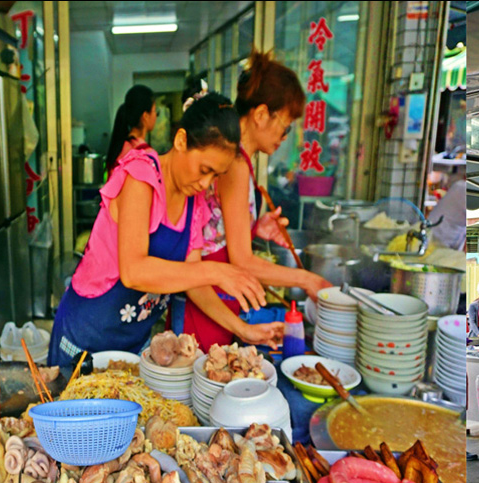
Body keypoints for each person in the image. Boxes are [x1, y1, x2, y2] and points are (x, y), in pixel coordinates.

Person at [48, 93, 283, 368]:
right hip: (85, 336)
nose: (205, 183)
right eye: (204, 169)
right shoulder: (141, 176)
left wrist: (244, 330)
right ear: (181, 140)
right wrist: (217, 271)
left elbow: (195, 284)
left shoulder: (193, 203)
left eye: (215, 176)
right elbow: (134, 271)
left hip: (129, 346)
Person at [181, 51, 332, 352]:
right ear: (262, 115)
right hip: (209, 302)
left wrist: (254, 226)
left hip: (217, 298)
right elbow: (242, 260)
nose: (285, 137)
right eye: (285, 126)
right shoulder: (234, 164)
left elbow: (219, 229)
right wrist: (307, 280)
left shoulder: (239, 161)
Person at [105, 85, 157, 173]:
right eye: (155, 111)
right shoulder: (147, 155)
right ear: (145, 116)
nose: (156, 116)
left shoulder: (119, 148)